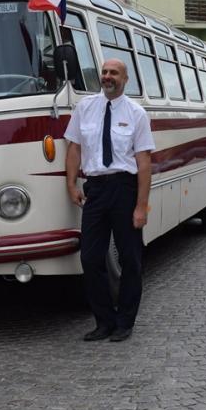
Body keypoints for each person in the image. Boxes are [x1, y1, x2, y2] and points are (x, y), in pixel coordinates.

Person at [64, 58, 155, 342]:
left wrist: (141, 206)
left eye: (113, 73)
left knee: (130, 258)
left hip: (124, 189)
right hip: (96, 190)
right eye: (104, 72)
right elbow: (74, 148)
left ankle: (125, 321)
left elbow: (144, 163)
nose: (107, 76)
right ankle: (103, 321)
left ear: (125, 79)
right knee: (90, 258)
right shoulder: (84, 108)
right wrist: (71, 184)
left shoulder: (136, 113)